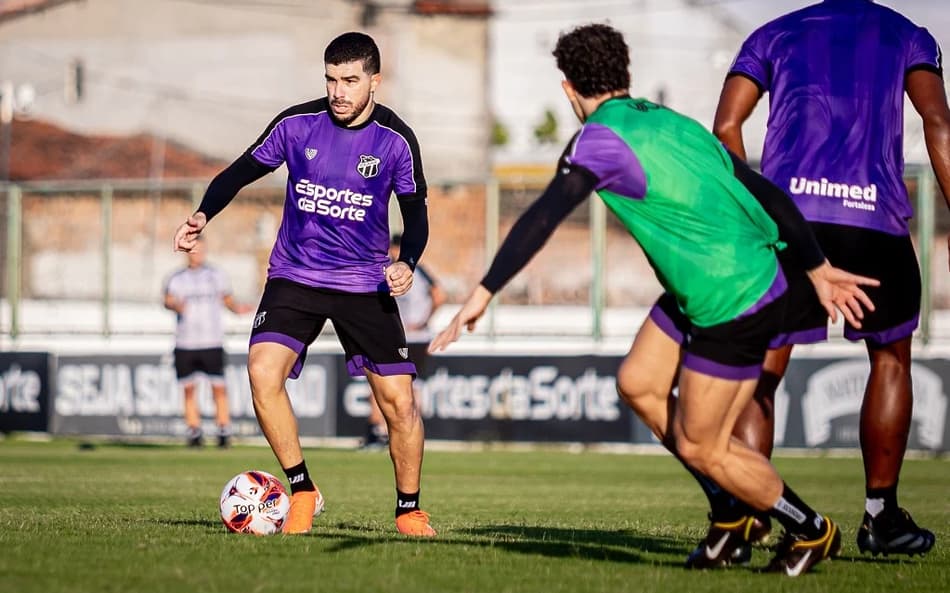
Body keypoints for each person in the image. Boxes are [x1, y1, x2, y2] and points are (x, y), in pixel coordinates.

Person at [430, 23, 880, 576]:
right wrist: (817, 267)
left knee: (703, 446)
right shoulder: (673, 122)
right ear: (624, 75)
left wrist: (483, 292)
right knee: (639, 383)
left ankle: (811, 529)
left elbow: (545, 213)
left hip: (732, 298)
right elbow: (764, 189)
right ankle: (729, 517)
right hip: (722, 282)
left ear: (568, 87)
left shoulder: (596, 138)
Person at [709, 0, 949, 560]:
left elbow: (725, 126)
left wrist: (754, 210)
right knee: (889, 360)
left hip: (790, 221)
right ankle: (880, 516)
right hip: (873, 221)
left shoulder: (772, 34)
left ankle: (749, 519)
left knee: (763, 371)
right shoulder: (908, 34)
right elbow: (938, 121)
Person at [172, 32, 436, 537]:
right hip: (296, 274)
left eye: (351, 80)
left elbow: (417, 213)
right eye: (332, 79)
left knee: (399, 404)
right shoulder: (297, 124)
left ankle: (408, 510)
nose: (339, 91)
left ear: (375, 81)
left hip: (364, 282)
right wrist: (203, 213)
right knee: (261, 372)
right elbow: (240, 170)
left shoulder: (396, 141)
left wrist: (410, 260)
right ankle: (302, 490)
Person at [162, 236, 253, 448]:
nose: (198, 255)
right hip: (186, 342)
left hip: (212, 340)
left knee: (218, 388)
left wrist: (239, 309)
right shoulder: (177, 278)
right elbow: (167, 300)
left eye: (201, 250)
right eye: (194, 251)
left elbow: (228, 301)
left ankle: (223, 429)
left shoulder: (216, 275)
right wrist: (174, 305)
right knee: (189, 389)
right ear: (188, 253)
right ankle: (194, 431)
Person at [361, 234, 446, 450]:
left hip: (410, 337)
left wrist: (422, 322)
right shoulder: (397, 270)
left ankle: (397, 432)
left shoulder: (409, 270)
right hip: (403, 335)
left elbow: (439, 296)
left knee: (400, 385)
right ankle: (393, 433)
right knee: (395, 384)